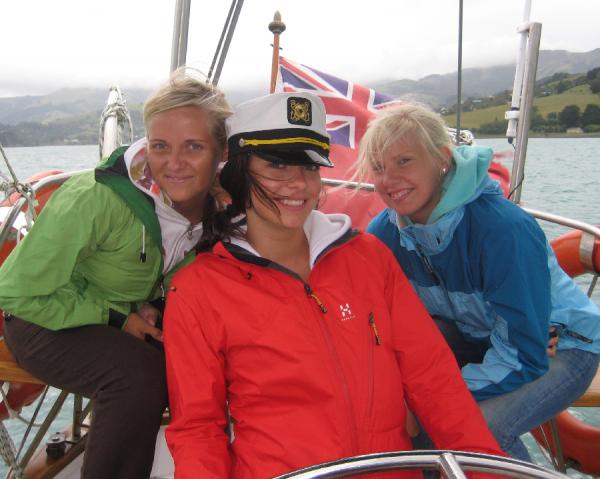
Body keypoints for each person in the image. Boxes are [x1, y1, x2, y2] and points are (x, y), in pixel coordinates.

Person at [163, 91, 505, 479]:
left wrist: (484, 472)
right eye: (277, 165)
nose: (298, 184)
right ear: (239, 174)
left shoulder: (369, 258)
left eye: (309, 167)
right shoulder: (198, 290)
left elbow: (434, 379)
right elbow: (198, 430)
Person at [0, 68, 231, 478]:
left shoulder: (216, 210)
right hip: (39, 317)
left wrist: (154, 306)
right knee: (137, 377)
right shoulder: (95, 199)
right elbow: (15, 294)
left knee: (208, 364)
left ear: (220, 153)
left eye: (193, 146)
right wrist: (119, 317)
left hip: (122, 312)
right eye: (160, 146)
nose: (173, 164)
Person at [356, 102, 600, 461]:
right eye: (378, 168)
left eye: (404, 161)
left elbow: (525, 355)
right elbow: (378, 323)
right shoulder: (387, 234)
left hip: (560, 347)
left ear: (441, 158)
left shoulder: (501, 230)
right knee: (415, 420)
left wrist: (432, 398)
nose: (389, 179)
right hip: (482, 338)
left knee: (477, 429)